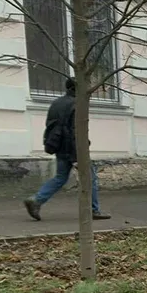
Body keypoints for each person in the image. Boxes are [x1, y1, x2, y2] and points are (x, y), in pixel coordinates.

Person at [24, 78, 110, 221]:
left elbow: (51, 126)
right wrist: (77, 156)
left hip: (59, 146)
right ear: (77, 88)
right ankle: (94, 210)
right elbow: (74, 132)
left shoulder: (56, 103)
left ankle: (36, 200)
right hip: (74, 149)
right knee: (90, 178)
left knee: (60, 177)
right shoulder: (77, 104)